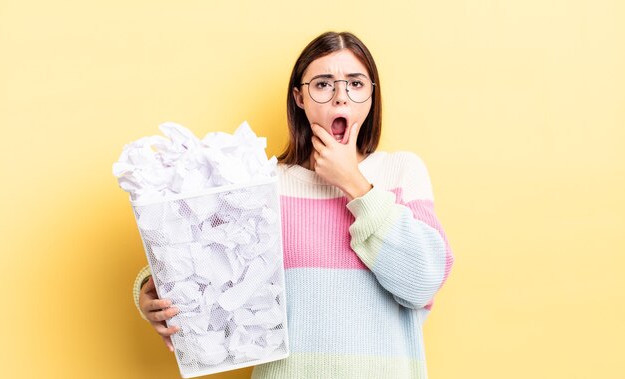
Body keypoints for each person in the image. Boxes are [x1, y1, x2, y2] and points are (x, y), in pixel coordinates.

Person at [133, 31, 454, 378]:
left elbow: (423, 281)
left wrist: (354, 184)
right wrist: (149, 292)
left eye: (356, 84)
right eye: (323, 84)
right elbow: (202, 268)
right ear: (300, 97)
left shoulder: (401, 172)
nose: (340, 99)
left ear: (372, 97)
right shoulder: (262, 183)